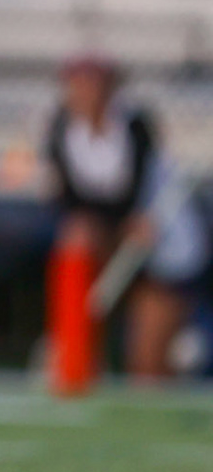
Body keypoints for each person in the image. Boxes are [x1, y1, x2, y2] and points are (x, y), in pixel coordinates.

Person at [45, 53, 207, 381]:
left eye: (94, 85)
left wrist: (132, 224)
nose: (85, 94)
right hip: (118, 240)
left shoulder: (135, 126)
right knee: (76, 237)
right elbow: (70, 200)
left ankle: (183, 354)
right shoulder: (62, 129)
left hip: (165, 245)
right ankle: (76, 350)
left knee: (147, 368)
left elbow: (131, 194)